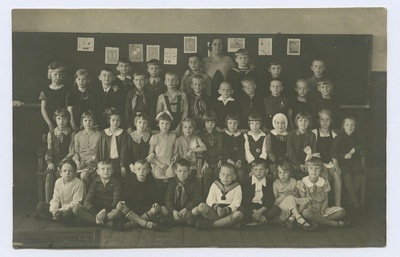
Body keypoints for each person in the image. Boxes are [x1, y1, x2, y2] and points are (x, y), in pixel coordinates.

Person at [188, 163, 244, 230]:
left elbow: (236, 203)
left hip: (229, 213)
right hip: (215, 212)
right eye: (223, 174)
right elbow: (210, 199)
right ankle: (228, 224)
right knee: (201, 206)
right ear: (219, 175)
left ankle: (213, 225)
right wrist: (217, 208)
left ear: (234, 177)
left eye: (229, 175)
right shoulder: (215, 184)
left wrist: (226, 210)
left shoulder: (237, 187)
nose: (225, 177)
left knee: (239, 214)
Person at [297, 157, 349, 228]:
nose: (314, 171)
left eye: (317, 168)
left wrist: (321, 211)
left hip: (323, 209)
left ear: (321, 169)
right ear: (307, 169)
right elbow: (304, 201)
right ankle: (333, 224)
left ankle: (317, 221)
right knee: (306, 213)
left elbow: (325, 200)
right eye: (311, 168)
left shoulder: (323, 181)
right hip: (310, 209)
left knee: (341, 211)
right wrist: (313, 210)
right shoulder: (303, 182)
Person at [113, 160, 165, 230]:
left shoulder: (152, 183)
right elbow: (124, 198)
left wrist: (155, 204)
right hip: (132, 210)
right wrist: (121, 203)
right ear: (134, 170)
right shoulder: (129, 183)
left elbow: (156, 198)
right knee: (122, 207)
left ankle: (132, 224)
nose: (141, 171)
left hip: (146, 209)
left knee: (156, 209)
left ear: (148, 171)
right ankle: (145, 223)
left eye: (144, 169)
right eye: (139, 169)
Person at [72, 160, 123, 226]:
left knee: (117, 212)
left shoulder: (116, 183)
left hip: (108, 210)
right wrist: (97, 214)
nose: (106, 171)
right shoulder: (95, 182)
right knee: (76, 209)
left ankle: (94, 221)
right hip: (95, 210)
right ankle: (102, 223)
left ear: (112, 171)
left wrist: (105, 210)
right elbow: (87, 201)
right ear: (98, 172)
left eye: (109, 169)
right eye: (103, 169)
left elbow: (115, 202)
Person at [332, 116, 366, 209]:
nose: (350, 127)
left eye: (352, 125)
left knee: (361, 174)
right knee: (348, 176)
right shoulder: (338, 138)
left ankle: (352, 198)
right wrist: (344, 156)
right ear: (343, 126)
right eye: (347, 125)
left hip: (355, 162)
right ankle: (354, 200)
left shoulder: (357, 136)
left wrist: (355, 149)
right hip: (344, 162)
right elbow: (334, 153)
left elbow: (363, 144)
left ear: (355, 126)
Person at [312, 109, 342, 207]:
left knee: (337, 175)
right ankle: (325, 205)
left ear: (331, 121)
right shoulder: (314, 133)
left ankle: (337, 205)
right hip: (318, 164)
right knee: (324, 178)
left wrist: (336, 165)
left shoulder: (334, 135)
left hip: (330, 163)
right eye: (322, 119)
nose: (325, 122)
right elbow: (311, 151)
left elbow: (334, 153)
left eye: (327, 120)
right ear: (319, 121)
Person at [44, 108, 74, 203]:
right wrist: (49, 162)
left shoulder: (72, 133)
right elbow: (49, 151)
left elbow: (72, 151)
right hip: (54, 162)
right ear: (55, 119)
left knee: (62, 176)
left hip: (67, 161)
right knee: (49, 175)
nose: (61, 121)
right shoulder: (51, 134)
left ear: (68, 120)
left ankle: (62, 203)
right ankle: (49, 204)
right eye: (58, 118)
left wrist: (63, 162)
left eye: (64, 118)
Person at [272, 160, 311, 230]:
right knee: (290, 197)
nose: (282, 175)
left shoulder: (293, 181)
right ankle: (299, 218)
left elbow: (296, 196)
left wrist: (293, 193)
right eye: (280, 172)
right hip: (281, 206)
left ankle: (292, 218)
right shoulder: (276, 183)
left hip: (293, 205)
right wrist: (285, 194)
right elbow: (275, 203)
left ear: (289, 172)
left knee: (305, 200)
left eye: (285, 172)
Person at [241, 159, 280, 225]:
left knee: (276, 210)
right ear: (252, 171)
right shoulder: (246, 182)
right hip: (250, 207)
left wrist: (260, 211)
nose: (258, 172)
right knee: (240, 208)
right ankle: (261, 219)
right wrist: (255, 211)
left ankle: (253, 220)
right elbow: (245, 200)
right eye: (256, 169)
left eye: (261, 169)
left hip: (262, 207)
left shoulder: (269, 183)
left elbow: (270, 199)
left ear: (266, 171)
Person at [146, 112, 177, 195]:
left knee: (171, 179)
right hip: (157, 162)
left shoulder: (173, 136)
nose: (164, 126)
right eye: (162, 123)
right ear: (158, 124)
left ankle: (169, 200)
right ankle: (158, 200)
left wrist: (176, 156)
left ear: (170, 125)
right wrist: (160, 164)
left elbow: (175, 151)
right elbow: (150, 156)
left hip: (169, 161)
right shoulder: (155, 137)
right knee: (158, 181)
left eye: (167, 123)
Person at [69, 111, 101, 189]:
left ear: (94, 122)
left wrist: (88, 162)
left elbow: (99, 152)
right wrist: (77, 162)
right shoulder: (78, 135)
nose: (88, 123)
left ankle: (88, 196)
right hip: (80, 163)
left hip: (93, 162)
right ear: (82, 122)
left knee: (83, 176)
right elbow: (76, 152)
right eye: (85, 120)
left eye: (90, 120)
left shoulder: (99, 134)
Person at [164, 159, 202, 225]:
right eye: (180, 171)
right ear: (175, 171)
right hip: (174, 211)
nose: (182, 174)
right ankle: (184, 221)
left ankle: (175, 221)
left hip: (187, 211)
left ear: (189, 172)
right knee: (162, 209)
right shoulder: (172, 182)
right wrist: (173, 211)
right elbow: (168, 200)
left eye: (185, 171)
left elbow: (197, 199)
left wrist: (186, 209)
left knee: (197, 209)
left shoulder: (193, 183)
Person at [96, 110, 128, 182]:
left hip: (118, 162)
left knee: (119, 179)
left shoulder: (123, 133)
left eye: (118, 120)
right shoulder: (104, 133)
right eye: (113, 120)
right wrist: (99, 163)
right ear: (109, 120)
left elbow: (124, 150)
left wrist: (122, 165)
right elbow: (99, 149)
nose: (115, 122)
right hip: (106, 161)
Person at [198, 111, 224, 196]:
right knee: (208, 173)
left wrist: (220, 160)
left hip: (217, 161)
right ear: (204, 123)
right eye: (207, 122)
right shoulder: (200, 134)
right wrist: (204, 161)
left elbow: (220, 148)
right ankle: (207, 198)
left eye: (212, 122)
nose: (210, 125)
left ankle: (217, 197)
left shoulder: (219, 135)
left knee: (218, 172)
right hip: (206, 161)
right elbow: (201, 150)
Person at [39, 61, 68, 134]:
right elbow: (43, 109)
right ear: (50, 75)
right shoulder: (45, 91)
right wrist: (49, 123)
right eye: (55, 74)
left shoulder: (67, 90)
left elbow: (68, 108)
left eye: (60, 75)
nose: (58, 77)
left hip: (63, 121)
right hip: (48, 120)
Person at [287, 111, 316, 180]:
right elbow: (291, 153)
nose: (303, 123)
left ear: (309, 123)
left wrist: (307, 164)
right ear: (296, 122)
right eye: (300, 120)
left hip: (309, 163)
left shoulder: (312, 135)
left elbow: (313, 152)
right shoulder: (291, 135)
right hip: (295, 164)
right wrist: (299, 165)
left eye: (306, 120)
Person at [242, 113, 267, 183]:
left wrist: (260, 162)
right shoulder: (246, 135)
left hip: (261, 162)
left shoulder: (264, 136)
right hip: (250, 162)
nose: (254, 126)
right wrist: (253, 163)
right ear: (249, 124)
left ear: (260, 124)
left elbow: (264, 151)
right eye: (252, 123)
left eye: (257, 123)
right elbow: (247, 150)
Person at [222, 114, 245, 182]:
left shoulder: (242, 136)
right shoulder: (223, 135)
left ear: (238, 124)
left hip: (239, 162)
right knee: (227, 172)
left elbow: (242, 149)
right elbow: (224, 149)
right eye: (230, 123)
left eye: (235, 123)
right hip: (227, 161)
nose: (232, 125)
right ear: (226, 123)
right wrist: (229, 160)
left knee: (241, 173)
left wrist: (239, 160)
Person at [266, 113, 289, 180]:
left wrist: (285, 159)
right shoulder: (270, 135)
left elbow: (290, 149)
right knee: (275, 173)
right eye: (277, 123)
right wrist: (275, 160)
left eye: (282, 123)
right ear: (274, 123)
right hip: (274, 161)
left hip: (285, 160)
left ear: (286, 124)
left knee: (287, 171)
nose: (280, 125)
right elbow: (269, 150)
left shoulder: (288, 135)